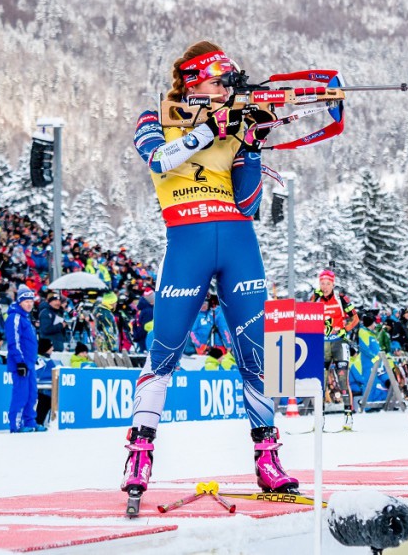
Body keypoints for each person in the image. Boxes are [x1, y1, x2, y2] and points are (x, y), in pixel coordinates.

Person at [124, 41, 297, 504]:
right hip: (187, 243)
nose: (224, 89)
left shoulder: (232, 126)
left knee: (259, 353)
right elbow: (159, 159)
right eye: (217, 81)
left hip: (240, 242)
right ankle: (139, 451)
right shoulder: (154, 117)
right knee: (164, 348)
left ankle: (268, 456)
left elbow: (248, 203)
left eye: (227, 82)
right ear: (192, 81)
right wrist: (207, 132)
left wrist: (252, 146)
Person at [308, 269, 359, 430]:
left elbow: (355, 318)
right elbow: (307, 315)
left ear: (333, 284)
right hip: (322, 344)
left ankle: (348, 417)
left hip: (339, 344)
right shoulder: (315, 298)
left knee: (343, 381)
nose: (325, 287)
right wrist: (314, 299)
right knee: (320, 384)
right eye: (322, 283)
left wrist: (346, 329)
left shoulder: (341, 298)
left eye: (328, 284)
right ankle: (319, 419)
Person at [7, 286, 44, 432]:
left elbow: (29, 342)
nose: (29, 304)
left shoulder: (26, 318)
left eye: (31, 301)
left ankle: (30, 422)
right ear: (20, 302)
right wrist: (20, 361)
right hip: (20, 364)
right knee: (21, 394)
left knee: (32, 394)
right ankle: (15, 425)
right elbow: (13, 342)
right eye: (26, 301)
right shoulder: (14, 317)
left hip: (29, 363)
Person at [34, 339, 61, 427]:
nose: (53, 348)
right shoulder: (42, 361)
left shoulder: (45, 360)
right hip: (42, 392)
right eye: (51, 347)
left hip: (44, 391)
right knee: (46, 399)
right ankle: (39, 423)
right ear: (46, 348)